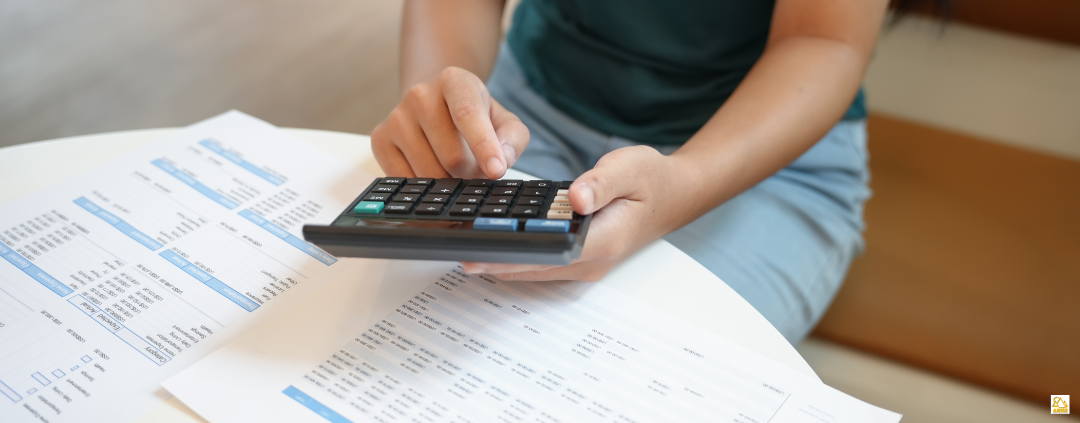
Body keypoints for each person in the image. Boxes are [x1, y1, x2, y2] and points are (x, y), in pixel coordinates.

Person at [370, 0, 923, 343]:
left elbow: (823, 38)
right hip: (526, 111)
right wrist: (448, 111)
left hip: (763, 160)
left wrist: (678, 187)